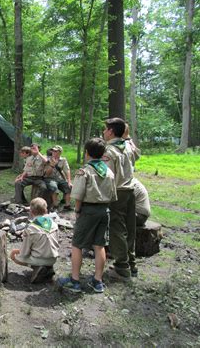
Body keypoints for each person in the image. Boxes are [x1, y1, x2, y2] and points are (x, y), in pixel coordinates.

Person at [57, 138, 117, 293]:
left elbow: (78, 195)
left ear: (86, 153)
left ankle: (75, 280)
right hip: (105, 211)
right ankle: (98, 281)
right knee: (99, 245)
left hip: (88, 211)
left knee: (77, 244)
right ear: (103, 153)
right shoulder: (109, 172)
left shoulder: (85, 171)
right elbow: (113, 196)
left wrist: (77, 211)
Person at [103, 118, 137, 280]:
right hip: (131, 190)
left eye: (105, 130)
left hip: (118, 192)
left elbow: (108, 177)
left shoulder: (109, 151)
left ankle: (122, 268)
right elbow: (136, 158)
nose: (104, 132)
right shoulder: (128, 146)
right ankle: (131, 263)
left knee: (117, 229)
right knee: (130, 228)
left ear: (110, 131)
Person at [10, 197, 59, 283]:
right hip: (53, 258)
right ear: (46, 210)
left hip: (40, 258)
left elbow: (24, 253)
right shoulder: (54, 224)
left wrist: (15, 252)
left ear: (31, 212)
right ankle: (48, 268)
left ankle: (38, 268)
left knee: (15, 257)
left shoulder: (31, 228)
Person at [48, 145, 72, 211]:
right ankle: (55, 205)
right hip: (50, 178)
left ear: (60, 152)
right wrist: (52, 165)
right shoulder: (48, 159)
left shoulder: (63, 160)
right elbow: (46, 173)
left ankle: (67, 205)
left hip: (59, 178)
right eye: (52, 150)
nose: (53, 152)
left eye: (55, 151)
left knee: (68, 187)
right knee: (54, 187)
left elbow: (67, 170)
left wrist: (69, 181)